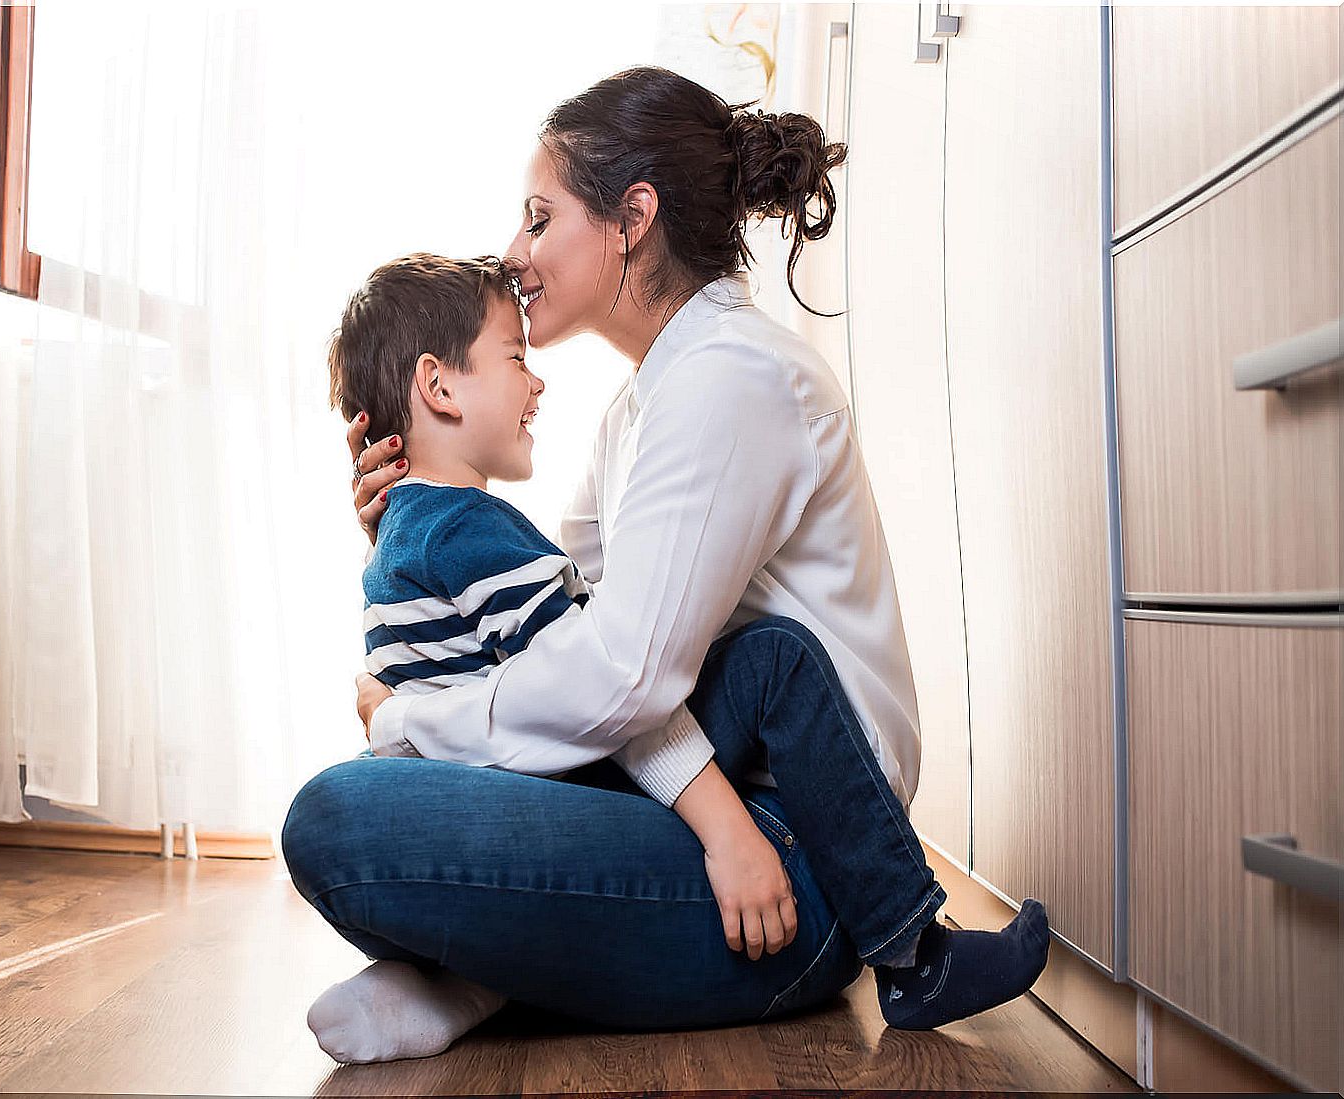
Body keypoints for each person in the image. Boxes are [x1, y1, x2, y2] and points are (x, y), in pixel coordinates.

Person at [281, 66, 1050, 1066]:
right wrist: (411, 530)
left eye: (538, 217)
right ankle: (472, 984)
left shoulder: (728, 382)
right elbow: (565, 624)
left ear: (630, 217)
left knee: (342, 815)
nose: (516, 253)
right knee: (366, 803)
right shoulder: (640, 407)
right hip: (701, 794)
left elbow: (614, 669)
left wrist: (410, 722)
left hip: (796, 850)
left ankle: (906, 943)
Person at [308, 250, 806, 1062]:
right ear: (439, 387)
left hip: (492, 799)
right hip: (554, 793)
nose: (534, 381)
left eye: (542, 220)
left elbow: (589, 658)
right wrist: (727, 830)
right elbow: (602, 684)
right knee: (776, 661)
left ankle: (465, 977)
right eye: (515, 358)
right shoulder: (474, 532)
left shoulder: (399, 549)